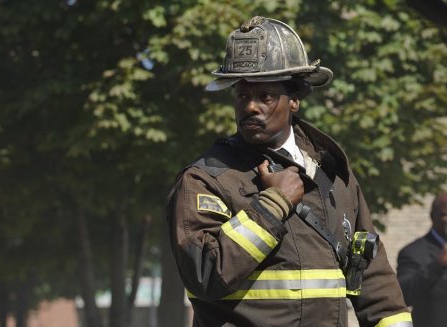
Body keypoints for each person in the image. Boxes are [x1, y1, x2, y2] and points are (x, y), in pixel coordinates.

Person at [166, 16, 412, 326]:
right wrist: (272, 206)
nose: (251, 107)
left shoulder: (333, 174)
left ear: (294, 99)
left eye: (265, 96)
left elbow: (374, 281)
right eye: (242, 96)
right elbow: (203, 274)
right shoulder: (206, 180)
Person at [397, 193, 447, 327]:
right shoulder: (413, 252)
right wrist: (437, 265)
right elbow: (404, 295)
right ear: (432, 216)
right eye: (445, 214)